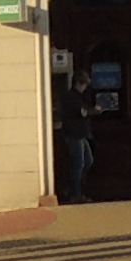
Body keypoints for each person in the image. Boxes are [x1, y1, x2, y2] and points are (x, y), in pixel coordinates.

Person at [58, 72, 96, 203]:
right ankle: (75, 193)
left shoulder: (77, 97)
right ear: (78, 83)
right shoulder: (72, 97)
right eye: (84, 84)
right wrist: (94, 110)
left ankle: (73, 187)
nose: (85, 88)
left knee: (87, 160)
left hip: (80, 134)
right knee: (78, 163)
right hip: (75, 134)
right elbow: (82, 113)